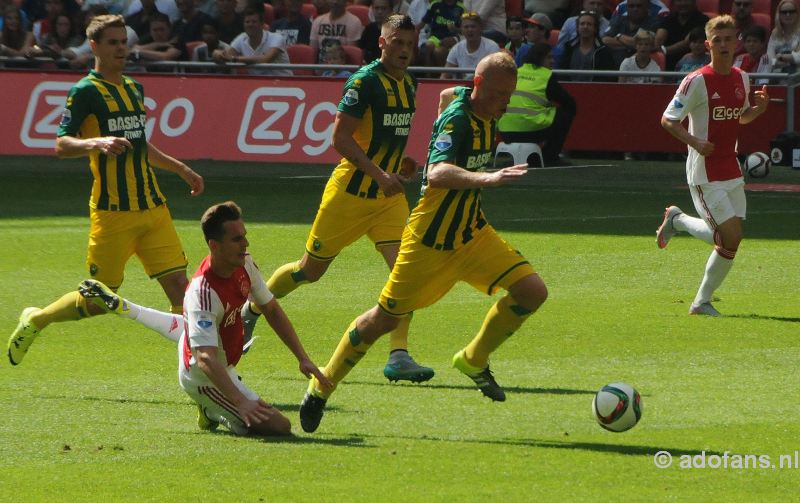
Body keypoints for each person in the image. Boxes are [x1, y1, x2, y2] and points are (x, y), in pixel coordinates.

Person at [299, 52, 549, 433]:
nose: (506, 103)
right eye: (499, 94)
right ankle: (322, 385)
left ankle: (473, 359)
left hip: (472, 233)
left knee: (532, 291)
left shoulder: (473, 104)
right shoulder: (459, 120)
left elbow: (449, 92)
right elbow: (436, 173)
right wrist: (489, 179)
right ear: (479, 86)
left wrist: (460, 96)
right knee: (384, 319)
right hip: (428, 241)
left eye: (509, 95)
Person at [243, 14, 434, 384]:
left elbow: (384, 138)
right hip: (350, 195)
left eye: (410, 45)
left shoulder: (410, 84)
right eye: (398, 43)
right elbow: (340, 139)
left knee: (405, 272)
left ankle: (399, 354)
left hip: (388, 199)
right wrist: (379, 172)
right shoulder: (363, 82)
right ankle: (252, 308)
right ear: (382, 43)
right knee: (308, 271)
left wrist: (401, 163)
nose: (404, 51)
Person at [7, 14, 204, 366]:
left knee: (181, 291)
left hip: (153, 208)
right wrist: (95, 142)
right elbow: (61, 145)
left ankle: (200, 374)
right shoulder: (85, 92)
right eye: (113, 43)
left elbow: (141, 145)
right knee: (98, 302)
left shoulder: (133, 88)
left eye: (124, 42)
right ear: (95, 46)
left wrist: (182, 169)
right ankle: (37, 319)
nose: (121, 49)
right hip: (113, 214)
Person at [78, 202, 332, 436]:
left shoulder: (245, 263)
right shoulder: (203, 293)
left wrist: (302, 358)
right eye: (236, 239)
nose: (245, 244)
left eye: (244, 236)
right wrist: (240, 402)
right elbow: (205, 359)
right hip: (202, 376)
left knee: (189, 331)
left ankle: (126, 308)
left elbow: (272, 309)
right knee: (279, 427)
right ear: (214, 245)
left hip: (214, 352)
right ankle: (211, 410)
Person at [656, 15, 769, 317]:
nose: (723, 45)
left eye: (728, 39)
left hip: (731, 168)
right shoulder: (696, 81)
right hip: (704, 171)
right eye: (716, 40)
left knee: (729, 237)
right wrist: (695, 142)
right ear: (707, 45)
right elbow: (668, 119)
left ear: (736, 42)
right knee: (729, 237)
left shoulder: (742, 78)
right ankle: (700, 302)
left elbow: (740, 117)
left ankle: (677, 220)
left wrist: (758, 110)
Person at [498, 43, 576, 167]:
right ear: (539, 58)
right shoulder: (545, 76)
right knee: (566, 112)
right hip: (532, 131)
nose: (553, 61)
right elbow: (570, 102)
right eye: (549, 57)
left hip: (505, 131)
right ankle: (550, 156)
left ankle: (531, 157)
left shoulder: (516, 72)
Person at [214, 7, 292, 76]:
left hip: (283, 82)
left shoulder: (276, 38)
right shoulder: (241, 38)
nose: (250, 25)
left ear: (262, 24)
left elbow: (265, 60)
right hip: (257, 84)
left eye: (254, 22)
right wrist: (218, 54)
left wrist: (234, 59)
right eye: (247, 22)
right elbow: (227, 55)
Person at [558, 10, 616, 81]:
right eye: (582, 24)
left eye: (589, 24)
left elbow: (608, 78)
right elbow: (561, 73)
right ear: (577, 28)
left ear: (595, 28)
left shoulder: (603, 50)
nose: (585, 27)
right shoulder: (568, 48)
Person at [602, 0, 662, 67]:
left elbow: (645, 44)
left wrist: (619, 36)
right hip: (613, 66)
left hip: (639, 67)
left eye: (639, 6)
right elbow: (605, 40)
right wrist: (630, 45)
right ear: (627, 7)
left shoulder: (653, 22)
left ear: (646, 7)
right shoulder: (619, 19)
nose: (635, 9)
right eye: (631, 6)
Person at [441, 11, 500, 79]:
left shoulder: (492, 47)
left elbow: (496, 75)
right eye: (466, 27)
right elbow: (444, 76)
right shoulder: (456, 49)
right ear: (461, 30)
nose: (470, 30)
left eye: (473, 26)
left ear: (480, 28)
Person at [655, 0, 709, 71]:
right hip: (667, 67)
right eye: (679, 1)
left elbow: (686, 43)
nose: (683, 4)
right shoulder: (668, 19)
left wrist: (664, 51)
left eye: (686, 1)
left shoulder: (703, 20)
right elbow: (658, 41)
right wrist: (659, 49)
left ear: (694, 2)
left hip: (693, 67)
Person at [767, 0, 800, 75]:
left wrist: (782, 57)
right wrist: (776, 62)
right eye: (784, 12)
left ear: (797, 14)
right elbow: (770, 57)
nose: (788, 14)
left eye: (791, 12)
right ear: (779, 15)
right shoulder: (775, 33)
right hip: (778, 75)